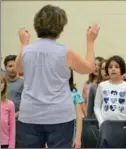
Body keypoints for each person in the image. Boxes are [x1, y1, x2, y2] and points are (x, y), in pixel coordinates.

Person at [15, 4, 99, 148]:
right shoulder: (65, 52)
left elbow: (18, 69)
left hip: (30, 114)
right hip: (60, 115)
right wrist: (90, 41)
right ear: (60, 26)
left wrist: (24, 43)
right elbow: (89, 68)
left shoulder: (27, 51)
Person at [94, 55, 126, 127]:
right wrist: (101, 122)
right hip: (106, 125)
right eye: (110, 67)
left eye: (116, 67)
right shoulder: (102, 86)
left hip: (123, 125)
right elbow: (97, 107)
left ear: (122, 69)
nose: (113, 69)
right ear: (107, 70)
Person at [69, 69, 84, 148]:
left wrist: (78, 139)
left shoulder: (74, 93)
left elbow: (79, 117)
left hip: (70, 134)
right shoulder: (50, 92)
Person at [1, 76, 16, 148]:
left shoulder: (10, 104)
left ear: (4, 85)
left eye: (1, 83)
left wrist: (11, 146)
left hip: (5, 143)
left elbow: (12, 127)